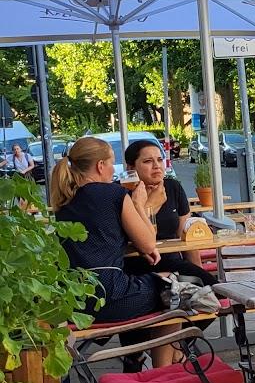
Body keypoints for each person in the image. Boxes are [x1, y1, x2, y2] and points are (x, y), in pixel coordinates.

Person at [50, 137, 177, 367]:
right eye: (112, 163)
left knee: (158, 284)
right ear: (100, 166)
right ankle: (164, 373)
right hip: (108, 297)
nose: (113, 170)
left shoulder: (64, 200)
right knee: (175, 293)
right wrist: (139, 204)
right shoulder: (113, 194)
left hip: (73, 300)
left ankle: (137, 359)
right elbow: (149, 243)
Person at [122, 139, 216, 286]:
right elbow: (129, 237)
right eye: (147, 161)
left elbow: (185, 236)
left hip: (173, 264)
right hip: (135, 268)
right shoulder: (121, 194)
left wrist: (198, 273)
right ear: (130, 168)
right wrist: (150, 205)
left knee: (214, 288)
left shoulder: (173, 187)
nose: (156, 166)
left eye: (160, 160)